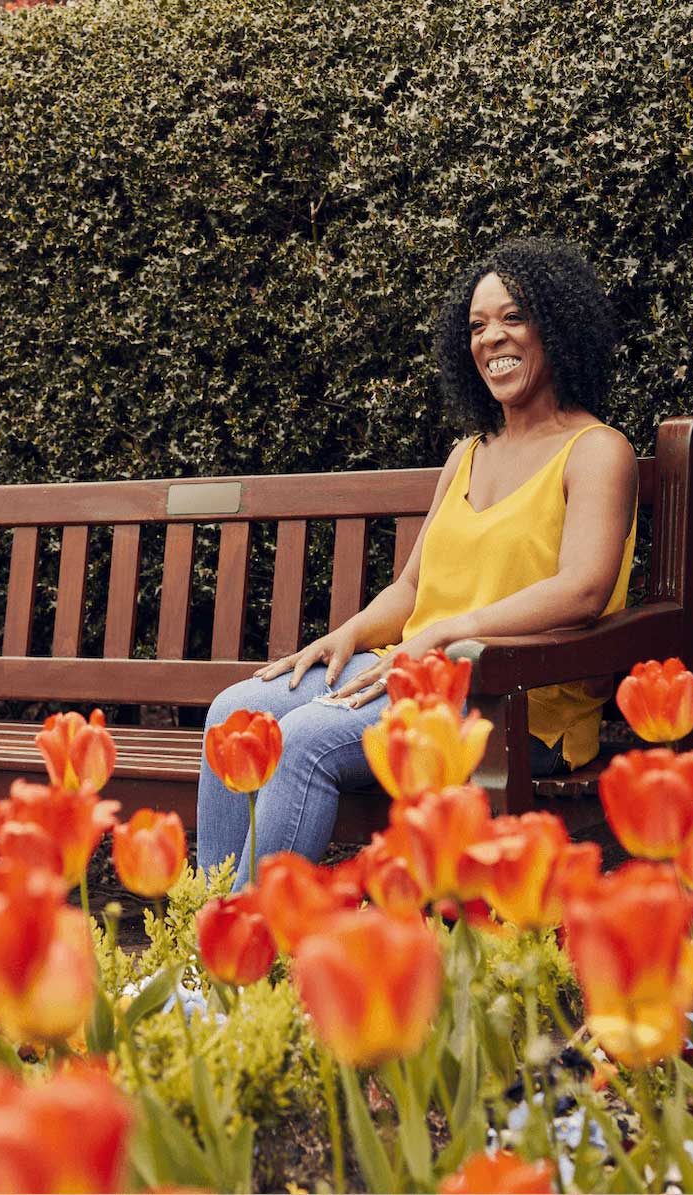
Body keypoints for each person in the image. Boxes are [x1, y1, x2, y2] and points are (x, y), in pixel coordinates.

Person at [196, 237, 638, 884]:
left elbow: (582, 589)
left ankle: (247, 952)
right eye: (477, 325)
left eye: (512, 317)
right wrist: (347, 634)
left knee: (303, 743)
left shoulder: (597, 451)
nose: (492, 337)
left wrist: (448, 632)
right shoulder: (466, 454)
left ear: (558, 326)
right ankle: (210, 938)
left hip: (509, 699)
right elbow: (410, 587)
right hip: (417, 668)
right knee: (232, 712)